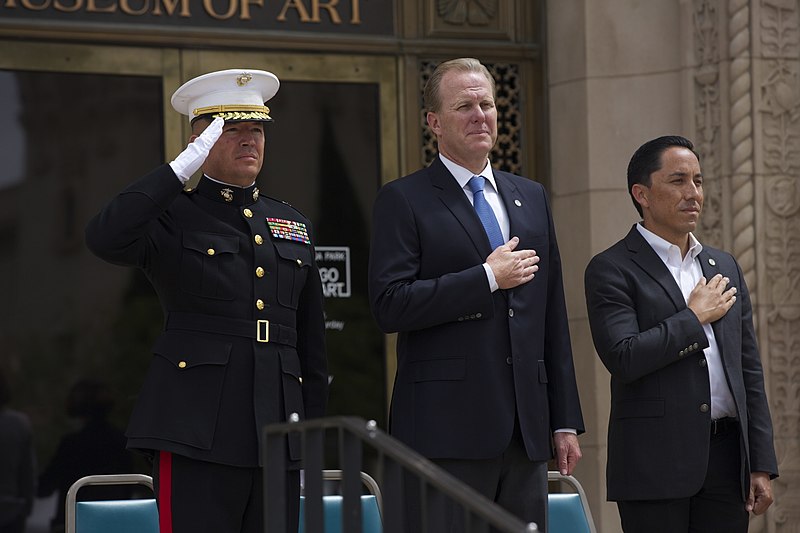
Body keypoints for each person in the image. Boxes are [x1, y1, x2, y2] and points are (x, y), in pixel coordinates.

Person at [85, 68, 328, 533]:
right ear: (199, 139)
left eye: (255, 129)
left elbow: (310, 347)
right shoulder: (174, 216)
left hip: (278, 433)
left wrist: (310, 438)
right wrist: (178, 172)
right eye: (231, 129)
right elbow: (104, 237)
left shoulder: (291, 223)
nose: (248, 140)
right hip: (196, 429)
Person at [368, 57, 584, 531]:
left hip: (525, 432)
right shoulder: (405, 199)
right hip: (444, 432)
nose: (480, 115)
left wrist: (563, 420)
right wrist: (485, 278)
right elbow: (390, 304)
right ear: (434, 122)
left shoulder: (530, 195)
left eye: (486, 103)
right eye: (464, 105)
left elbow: (551, 314)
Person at [584, 135, 779, 532]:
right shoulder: (611, 268)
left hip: (727, 462)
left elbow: (748, 371)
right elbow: (624, 357)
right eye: (678, 181)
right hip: (654, 467)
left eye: (698, 181)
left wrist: (759, 462)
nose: (693, 193)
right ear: (642, 193)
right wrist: (693, 317)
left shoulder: (723, 265)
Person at [38, 379, 134, 533]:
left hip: (74, 521)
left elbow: (46, 485)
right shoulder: (122, 441)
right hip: (116, 520)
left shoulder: (72, 443)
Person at [0, 368, 35, 533]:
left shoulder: (18, 424)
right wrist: (26, 505)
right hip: (11, 510)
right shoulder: (19, 424)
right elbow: (28, 473)